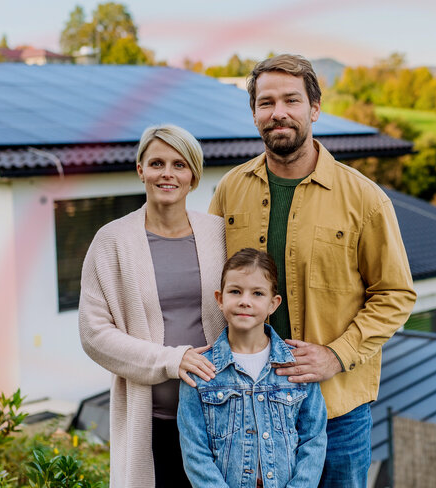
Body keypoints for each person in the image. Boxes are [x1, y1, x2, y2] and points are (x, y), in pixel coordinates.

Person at [208, 54, 417, 487]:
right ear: (254, 114)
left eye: (291, 100)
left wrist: (336, 355)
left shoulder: (364, 199)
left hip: (336, 412)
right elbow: (212, 284)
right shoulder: (229, 190)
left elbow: (396, 295)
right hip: (248, 407)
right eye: (266, 103)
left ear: (314, 109)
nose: (278, 112)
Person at [78, 124, 226, 488]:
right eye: (157, 163)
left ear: (193, 175)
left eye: (179, 164)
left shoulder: (220, 233)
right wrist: (172, 360)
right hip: (153, 421)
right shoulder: (112, 241)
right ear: (140, 169)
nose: (167, 174)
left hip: (222, 418)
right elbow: (94, 334)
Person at [178, 248, 327, 488]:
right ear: (220, 298)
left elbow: (314, 440)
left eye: (257, 293)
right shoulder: (201, 370)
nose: (245, 301)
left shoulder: (297, 366)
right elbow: (195, 452)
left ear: (273, 303)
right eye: (235, 291)